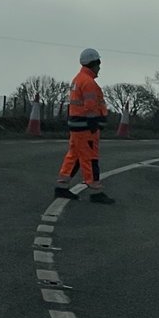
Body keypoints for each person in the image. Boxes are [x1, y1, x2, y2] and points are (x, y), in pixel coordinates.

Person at [54, 48, 113, 204]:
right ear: (93, 63)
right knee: (90, 159)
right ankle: (96, 192)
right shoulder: (88, 82)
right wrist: (96, 123)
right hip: (86, 127)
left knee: (73, 157)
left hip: (77, 126)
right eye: (98, 64)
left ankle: (61, 187)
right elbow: (91, 106)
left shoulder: (78, 79)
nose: (100, 67)